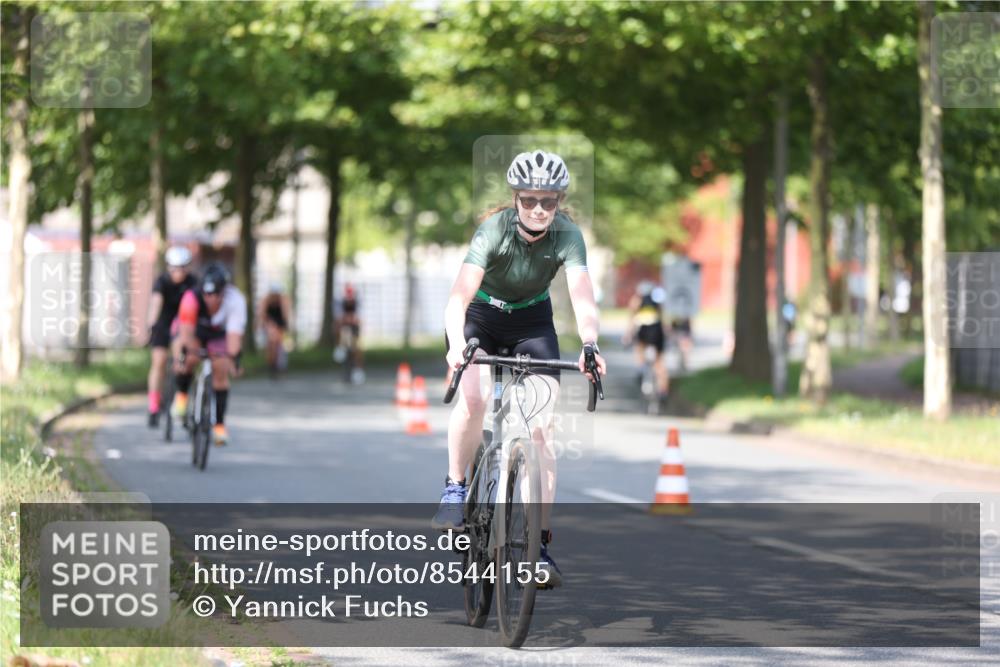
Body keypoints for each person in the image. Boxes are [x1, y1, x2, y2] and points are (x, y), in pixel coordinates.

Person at [432, 149, 607, 588]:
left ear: (559, 201)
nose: (538, 210)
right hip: (481, 316)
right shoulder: (493, 230)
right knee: (473, 399)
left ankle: (538, 544)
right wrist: (457, 346)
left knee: (541, 429)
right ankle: (455, 486)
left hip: (532, 321)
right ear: (515, 198)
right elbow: (458, 298)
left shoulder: (567, 234)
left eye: (548, 201)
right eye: (529, 200)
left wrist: (589, 344)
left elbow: (583, 295)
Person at [171, 262, 246, 446]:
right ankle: (182, 395)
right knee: (189, 358)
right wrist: (181, 357)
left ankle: (219, 425)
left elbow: (234, 338)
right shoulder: (191, 299)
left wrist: (234, 361)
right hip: (195, 330)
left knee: (221, 370)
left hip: (219, 334)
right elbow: (186, 334)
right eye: (206, 294)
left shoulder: (235, 301)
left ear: (223, 292)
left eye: (215, 295)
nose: (210, 299)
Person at [145, 246, 198, 428]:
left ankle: (180, 401)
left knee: (180, 359)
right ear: (169, 267)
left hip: (182, 323)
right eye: (175, 268)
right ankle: (153, 406)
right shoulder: (162, 281)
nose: (179, 272)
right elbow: (156, 303)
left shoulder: (192, 282)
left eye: (183, 267)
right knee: (158, 361)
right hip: (163, 321)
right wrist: (151, 325)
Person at [624, 281, 669, 401]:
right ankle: (663, 390)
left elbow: (632, 320)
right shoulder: (657, 301)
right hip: (657, 332)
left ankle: (641, 369)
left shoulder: (636, 301)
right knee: (659, 362)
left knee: (639, 350)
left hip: (643, 331)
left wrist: (628, 335)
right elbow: (663, 319)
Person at [258, 281, 291, 377]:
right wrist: (267, 325)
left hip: (280, 322)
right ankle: (271, 364)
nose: (275, 296)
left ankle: (280, 364)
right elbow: (262, 315)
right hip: (269, 322)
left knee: (280, 344)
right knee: (270, 343)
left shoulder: (284, 300)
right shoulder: (266, 300)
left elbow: (286, 314)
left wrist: (285, 326)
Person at [333, 282, 364, 384]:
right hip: (345, 329)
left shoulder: (357, 302)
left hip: (354, 328)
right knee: (344, 335)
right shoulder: (340, 302)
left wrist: (349, 319)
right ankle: (340, 346)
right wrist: (347, 319)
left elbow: (358, 319)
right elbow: (339, 318)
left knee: (356, 349)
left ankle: (358, 371)